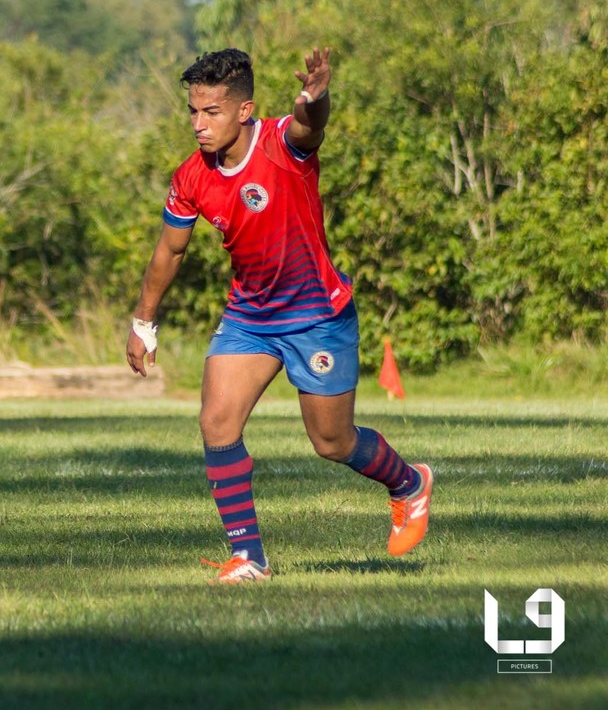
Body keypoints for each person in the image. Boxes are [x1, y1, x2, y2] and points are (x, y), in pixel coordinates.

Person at [126, 47, 432, 583]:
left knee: (332, 441)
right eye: (193, 112)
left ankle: (409, 483)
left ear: (244, 110)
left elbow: (309, 127)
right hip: (249, 317)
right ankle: (250, 557)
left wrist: (316, 97)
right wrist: (143, 322)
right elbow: (170, 251)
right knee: (216, 422)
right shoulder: (191, 176)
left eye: (211, 112)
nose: (199, 124)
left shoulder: (280, 144)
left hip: (317, 315)